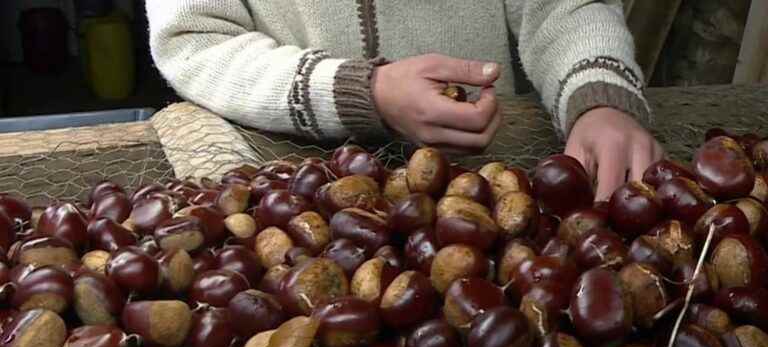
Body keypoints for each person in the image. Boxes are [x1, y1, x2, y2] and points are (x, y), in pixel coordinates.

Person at [146, 0, 663, 200]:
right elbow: (194, 38)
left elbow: (563, 8)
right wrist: (360, 92)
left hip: (485, 193)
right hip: (289, 202)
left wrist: (599, 98)